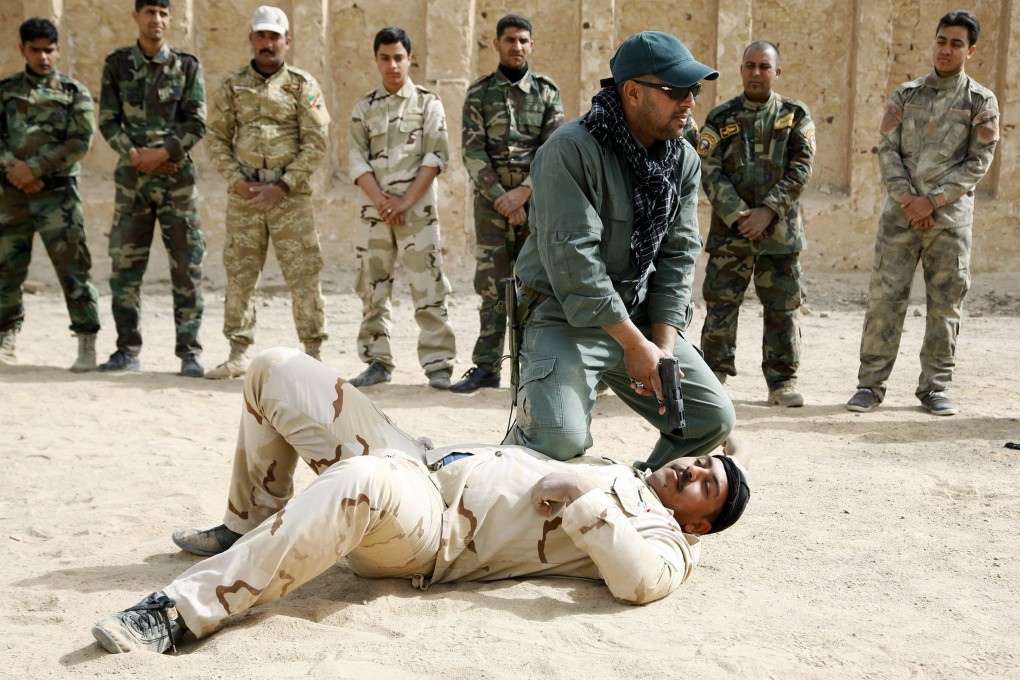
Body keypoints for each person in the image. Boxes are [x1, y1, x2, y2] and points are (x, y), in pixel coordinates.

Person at [89, 346, 751, 654]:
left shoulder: (668, 546)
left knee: (360, 485)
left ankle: (181, 613)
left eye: (704, 484)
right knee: (276, 370)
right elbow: (706, 450)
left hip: (430, 531)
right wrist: (721, 459)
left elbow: (638, 582)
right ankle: (250, 523)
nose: (690, 470)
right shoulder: (627, 472)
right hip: (421, 459)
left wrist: (582, 493)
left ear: (699, 523)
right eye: (697, 463)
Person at [504, 31, 735, 470]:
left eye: (693, 90)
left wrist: (661, 351)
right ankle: (519, 448)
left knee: (711, 421)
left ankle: (640, 497)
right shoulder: (569, 151)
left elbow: (678, 256)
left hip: (639, 313)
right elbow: (576, 267)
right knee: (557, 443)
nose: (688, 101)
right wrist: (634, 345)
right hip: (563, 314)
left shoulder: (682, 159)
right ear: (632, 92)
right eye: (675, 91)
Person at [846, 10, 999, 417]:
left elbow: (979, 161)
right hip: (900, 219)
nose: (946, 49)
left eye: (956, 43)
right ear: (934, 42)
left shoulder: (981, 101)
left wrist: (932, 201)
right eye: (942, 41)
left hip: (948, 224)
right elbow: (887, 151)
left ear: (970, 50)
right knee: (885, 301)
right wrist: (909, 200)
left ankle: (934, 387)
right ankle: (870, 385)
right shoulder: (906, 95)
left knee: (945, 306)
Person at [203, 5, 331, 379]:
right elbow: (216, 138)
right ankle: (238, 352)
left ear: (287, 41)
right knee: (240, 272)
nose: (267, 43)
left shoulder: (302, 85)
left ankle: (312, 353)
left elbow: (316, 141)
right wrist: (237, 181)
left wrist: (283, 185)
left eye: (275, 37)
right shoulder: (232, 85)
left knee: (305, 272)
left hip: (289, 197)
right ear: (251, 39)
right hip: (244, 194)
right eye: (261, 36)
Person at [697, 41, 815, 407]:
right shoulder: (720, 117)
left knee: (782, 309)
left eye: (764, 67)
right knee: (720, 306)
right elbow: (709, 168)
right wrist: (738, 215)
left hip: (779, 235)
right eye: (750, 65)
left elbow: (801, 168)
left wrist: (768, 210)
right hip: (732, 235)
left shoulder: (795, 115)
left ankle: (782, 382)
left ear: (776, 72)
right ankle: (714, 377)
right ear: (742, 68)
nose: (756, 73)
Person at [451, 14, 564, 393]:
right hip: (491, 206)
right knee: (491, 286)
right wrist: (503, 198)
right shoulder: (480, 93)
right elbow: (472, 151)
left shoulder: (548, 93)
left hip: (537, 206)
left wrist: (525, 192)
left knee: (535, 287)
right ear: (497, 44)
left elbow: (553, 150)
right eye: (510, 40)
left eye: (523, 40)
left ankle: (531, 370)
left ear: (531, 45)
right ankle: (486, 367)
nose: (517, 46)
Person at [97, 0, 207, 377]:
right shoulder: (116, 65)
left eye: (162, 13)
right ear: (136, 17)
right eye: (149, 12)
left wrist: (162, 153)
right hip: (133, 183)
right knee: (125, 268)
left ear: (170, 20)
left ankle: (190, 352)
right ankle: (126, 349)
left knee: (187, 267)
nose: (156, 20)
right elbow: (108, 122)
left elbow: (197, 122)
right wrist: (134, 154)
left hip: (177, 183)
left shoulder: (187, 65)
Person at [347, 27, 457, 390]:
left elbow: (436, 155)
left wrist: (404, 202)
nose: (392, 65)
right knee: (372, 288)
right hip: (374, 213)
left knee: (429, 285)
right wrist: (382, 202)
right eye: (385, 57)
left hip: (417, 213)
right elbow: (357, 159)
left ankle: (438, 364)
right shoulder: (365, 107)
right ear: (377, 60)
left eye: (399, 57)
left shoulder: (428, 103)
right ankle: (377, 361)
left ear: (410, 59)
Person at [0, 18, 100, 371]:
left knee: (74, 267)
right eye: (35, 50)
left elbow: (81, 140)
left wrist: (35, 169)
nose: (43, 57)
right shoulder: (6, 90)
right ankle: (6, 336)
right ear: (22, 50)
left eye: (49, 50)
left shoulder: (74, 92)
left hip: (58, 196)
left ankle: (87, 340)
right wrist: (14, 170)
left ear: (58, 50)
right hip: (12, 195)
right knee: (6, 268)